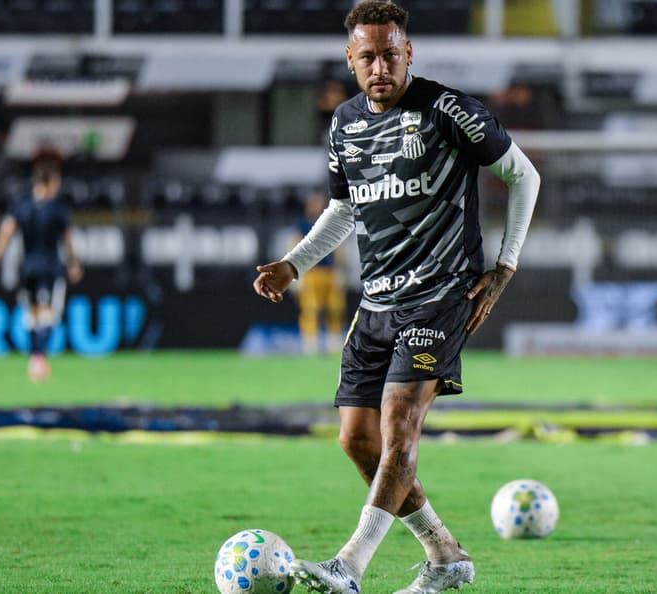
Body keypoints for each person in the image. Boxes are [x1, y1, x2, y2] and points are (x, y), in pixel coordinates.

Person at [252, 2, 539, 592]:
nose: (379, 66)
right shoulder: (344, 124)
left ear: (409, 53)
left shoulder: (448, 109)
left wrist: (504, 267)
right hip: (376, 302)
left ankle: (347, 566)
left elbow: (523, 176)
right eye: (367, 57)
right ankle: (446, 556)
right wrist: (294, 264)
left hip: (440, 295)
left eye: (390, 54)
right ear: (350, 61)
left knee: (400, 424)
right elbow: (344, 209)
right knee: (357, 439)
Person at [0, 150, 83, 381]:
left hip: (27, 268)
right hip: (50, 268)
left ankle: (34, 358)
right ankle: (38, 358)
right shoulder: (57, 210)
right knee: (48, 315)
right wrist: (74, 263)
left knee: (32, 315)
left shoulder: (21, 206)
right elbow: (68, 241)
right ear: (51, 181)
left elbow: (3, 237)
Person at [294, 191, 347, 355]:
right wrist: (297, 273)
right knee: (310, 309)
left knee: (335, 308)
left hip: (329, 272)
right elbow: (294, 245)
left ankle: (334, 343)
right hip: (311, 273)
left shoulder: (330, 222)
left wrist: (340, 270)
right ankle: (311, 344)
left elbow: (338, 247)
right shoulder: (302, 224)